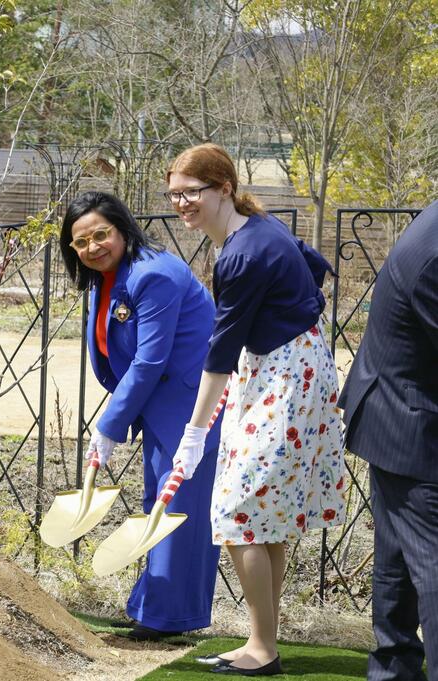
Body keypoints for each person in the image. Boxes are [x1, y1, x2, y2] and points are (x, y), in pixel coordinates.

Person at [167, 144, 346, 675]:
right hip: (296, 365)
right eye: (174, 194)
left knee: (238, 510)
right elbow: (318, 268)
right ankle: (261, 640)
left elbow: (220, 350)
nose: (182, 203)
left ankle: (262, 648)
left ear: (223, 187)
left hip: (284, 376)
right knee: (263, 515)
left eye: (191, 192)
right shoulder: (259, 225)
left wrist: (194, 433)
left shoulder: (242, 254)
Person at [59, 191, 222, 641]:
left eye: (101, 235)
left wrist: (109, 425)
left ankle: (166, 618)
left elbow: (149, 361)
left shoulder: (156, 276)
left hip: (192, 409)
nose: (93, 247)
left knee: (179, 512)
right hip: (159, 406)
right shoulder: (107, 277)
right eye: (81, 242)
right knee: (158, 507)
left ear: (123, 229)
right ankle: (152, 606)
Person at [339, 200, 438, 681]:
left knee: (399, 555)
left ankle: (393, 671)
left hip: (396, 409)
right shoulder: (436, 254)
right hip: (407, 420)